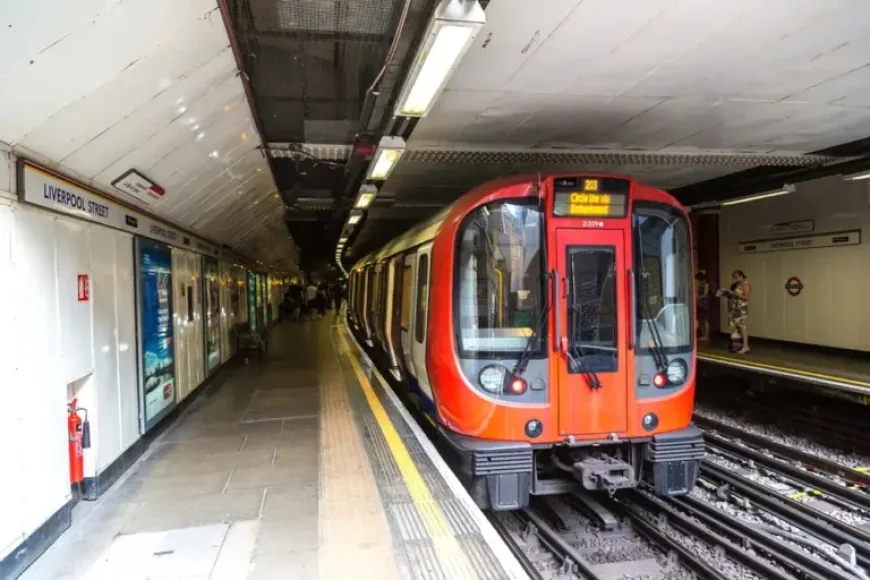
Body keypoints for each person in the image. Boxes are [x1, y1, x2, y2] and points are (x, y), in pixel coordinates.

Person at [719, 270, 751, 354]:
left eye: (736, 276)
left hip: (741, 308)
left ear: (741, 275)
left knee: (743, 327)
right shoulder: (737, 284)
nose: (735, 278)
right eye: (734, 277)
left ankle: (745, 346)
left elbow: (746, 297)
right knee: (737, 327)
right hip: (735, 307)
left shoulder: (746, 284)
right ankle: (739, 345)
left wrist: (738, 295)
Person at [695, 270, 710, 341]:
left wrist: (697, 297)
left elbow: (705, 294)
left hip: (704, 303)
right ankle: (703, 335)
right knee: (700, 319)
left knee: (705, 320)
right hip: (699, 303)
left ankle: (706, 336)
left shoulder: (706, 284)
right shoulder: (699, 284)